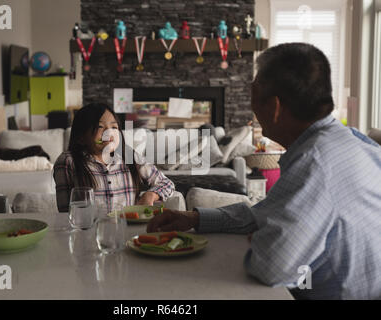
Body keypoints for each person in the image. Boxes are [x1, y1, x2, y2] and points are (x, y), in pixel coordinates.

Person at [147, 43, 381, 300]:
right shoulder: (350, 140)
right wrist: (194, 218)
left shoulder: (315, 163)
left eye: (253, 94)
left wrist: (263, 240)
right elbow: (266, 212)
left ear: (275, 107)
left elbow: (270, 266)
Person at [53, 103, 174, 213]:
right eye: (100, 127)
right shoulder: (68, 162)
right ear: (81, 137)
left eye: (114, 127)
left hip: (128, 231)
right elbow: (65, 213)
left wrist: (150, 195)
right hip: (89, 233)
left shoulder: (129, 156)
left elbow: (167, 183)